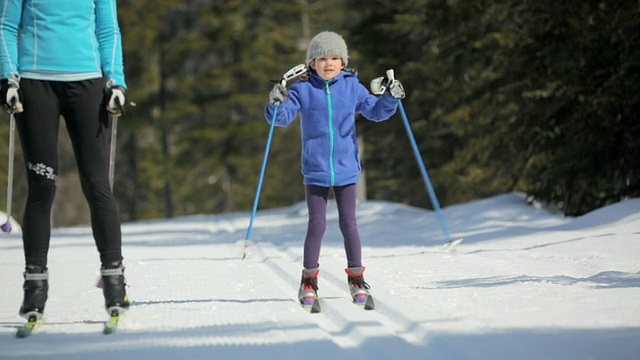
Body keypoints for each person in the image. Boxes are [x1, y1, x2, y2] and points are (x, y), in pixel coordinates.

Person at [0, 0, 130, 320]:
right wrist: (8, 78)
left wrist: (116, 81)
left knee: (97, 184)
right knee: (42, 187)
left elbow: (108, 29)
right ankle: (35, 288)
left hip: (87, 84)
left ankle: (114, 281)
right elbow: (5, 26)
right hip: (35, 84)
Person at [265, 31, 405, 307]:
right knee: (316, 224)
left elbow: (375, 111)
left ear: (343, 62)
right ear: (311, 63)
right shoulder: (302, 89)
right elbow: (281, 119)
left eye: (334, 58)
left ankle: (356, 278)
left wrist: (391, 98)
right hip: (315, 169)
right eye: (321, 58)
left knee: (349, 224)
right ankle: (308, 281)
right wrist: (276, 102)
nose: (328, 63)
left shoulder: (352, 87)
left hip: (346, 169)